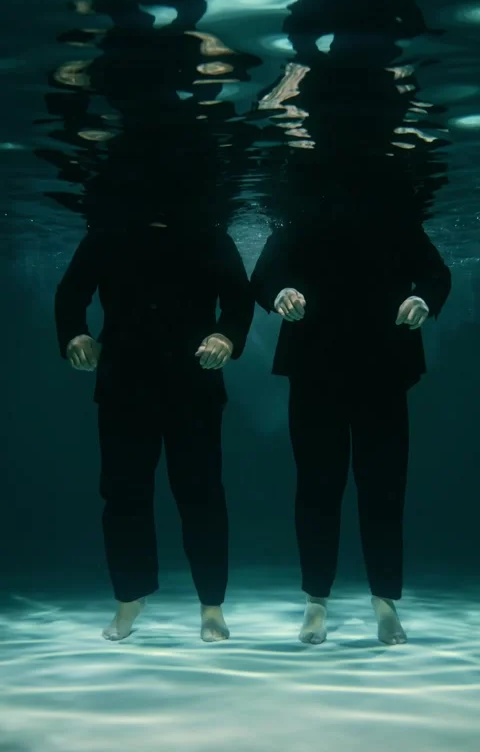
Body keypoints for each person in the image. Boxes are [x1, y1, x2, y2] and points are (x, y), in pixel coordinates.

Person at [250, 217, 451, 645]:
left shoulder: (392, 215)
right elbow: (264, 275)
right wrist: (280, 292)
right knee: (318, 487)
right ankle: (317, 598)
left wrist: (423, 297)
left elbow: (436, 275)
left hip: (382, 367)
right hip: (316, 367)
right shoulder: (300, 216)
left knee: (383, 487)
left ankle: (383, 600)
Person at [55, 221, 254, 643]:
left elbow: (239, 296)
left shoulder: (210, 234)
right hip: (124, 381)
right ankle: (130, 597)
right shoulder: (107, 233)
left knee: (202, 494)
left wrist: (226, 335)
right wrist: (75, 332)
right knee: (124, 494)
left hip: (195, 379)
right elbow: (72, 291)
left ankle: (211, 604)